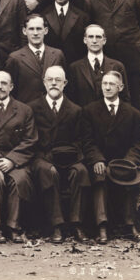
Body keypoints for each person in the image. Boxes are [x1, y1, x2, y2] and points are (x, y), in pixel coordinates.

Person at [80, 70, 140, 243]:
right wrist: (97, 159)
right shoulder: (90, 111)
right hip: (100, 161)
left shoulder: (133, 114)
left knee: (129, 176)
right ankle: (102, 226)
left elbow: (138, 143)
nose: (107, 88)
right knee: (100, 176)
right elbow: (87, 141)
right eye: (104, 84)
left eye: (111, 84)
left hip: (123, 162)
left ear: (120, 87)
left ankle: (130, 225)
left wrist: (129, 161)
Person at [28, 65, 89, 243]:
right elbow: (30, 140)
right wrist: (45, 157)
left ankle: (76, 223)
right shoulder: (32, 108)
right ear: (44, 82)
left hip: (70, 157)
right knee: (49, 172)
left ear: (65, 83)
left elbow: (80, 140)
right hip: (42, 158)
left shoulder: (76, 110)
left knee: (81, 171)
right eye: (50, 80)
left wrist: (72, 156)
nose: (54, 83)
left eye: (58, 80)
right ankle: (57, 225)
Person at [0, 71, 37, 244]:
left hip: (16, 162)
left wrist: (12, 160)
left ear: (11, 87)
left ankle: (14, 227)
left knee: (19, 180)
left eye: (4, 83)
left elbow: (30, 140)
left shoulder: (24, 109)